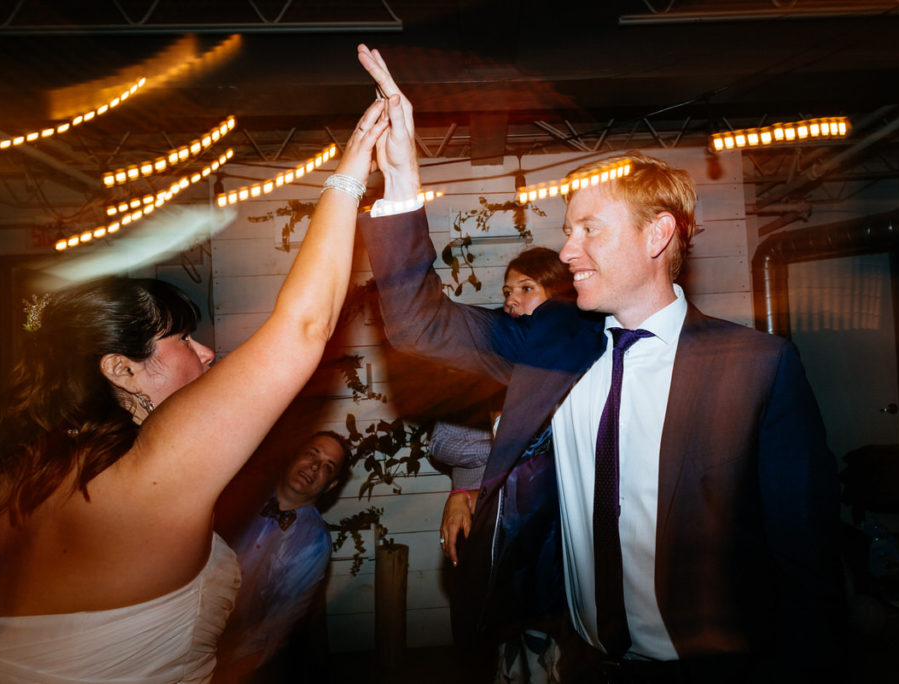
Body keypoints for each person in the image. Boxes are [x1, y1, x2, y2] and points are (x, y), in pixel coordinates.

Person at [356, 44, 843, 681]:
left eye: (589, 228)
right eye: (568, 229)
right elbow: (421, 325)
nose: (567, 248)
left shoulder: (755, 366)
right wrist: (400, 178)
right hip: (580, 661)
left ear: (657, 235)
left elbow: (804, 556)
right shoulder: (556, 339)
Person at [0, 98, 389, 682]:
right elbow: (304, 328)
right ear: (121, 370)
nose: (207, 352)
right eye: (183, 339)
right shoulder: (152, 477)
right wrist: (350, 172)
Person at [432, 247, 575, 684]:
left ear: (559, 297)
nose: (511, 299)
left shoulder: (580, 351)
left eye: (526, 289)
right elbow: (445, 440)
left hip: (564, 530)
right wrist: (464, 490)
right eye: (507, 290)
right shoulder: (492, 355)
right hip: (503, 525)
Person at [215, 431, 351, 682]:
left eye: (328, 467)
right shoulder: (236, 493)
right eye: (312, 454)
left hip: (238, 656)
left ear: (331, 485)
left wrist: (231, 670)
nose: (314, 466)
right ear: (293, 455)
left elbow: (277, 625)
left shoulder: (315, 544)